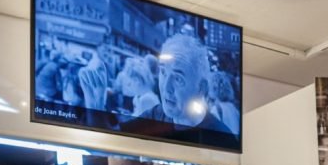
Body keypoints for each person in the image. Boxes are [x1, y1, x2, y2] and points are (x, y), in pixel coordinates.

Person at [79, 34, 231, 134]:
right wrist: (95, 105)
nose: (166, 88)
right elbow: (114, 144)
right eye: (163, 73)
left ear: (201, 88)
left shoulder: (220, 136)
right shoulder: (156, 114)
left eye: (178, 79)